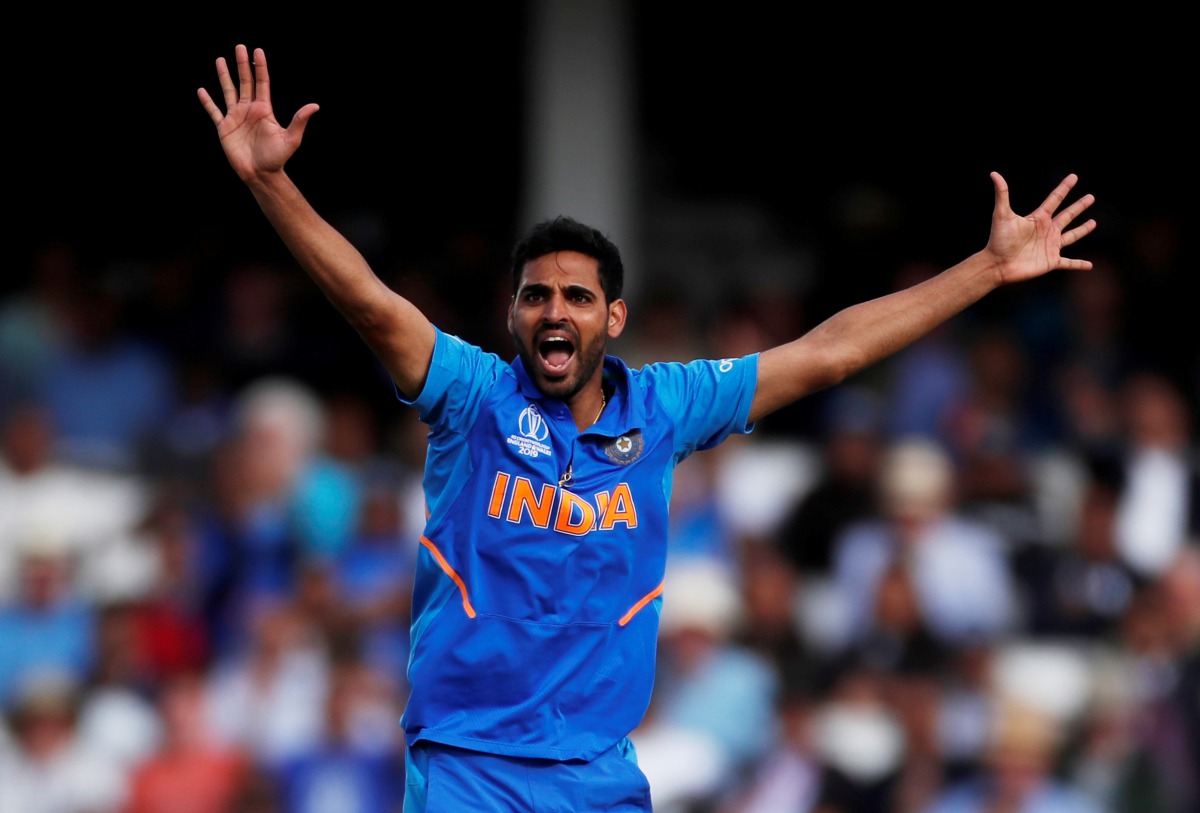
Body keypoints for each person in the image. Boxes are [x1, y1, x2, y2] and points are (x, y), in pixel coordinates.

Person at [197, 43, 1097, 813]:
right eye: (536, 295)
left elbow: (830, 353)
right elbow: (369, 303)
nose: (556, 311)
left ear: (613, 318)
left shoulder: (664, 407)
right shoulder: (472, 397)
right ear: (512, 315)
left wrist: (983, 270)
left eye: (577, 297)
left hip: (598, 773)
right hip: (471, 766)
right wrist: (272, 183)